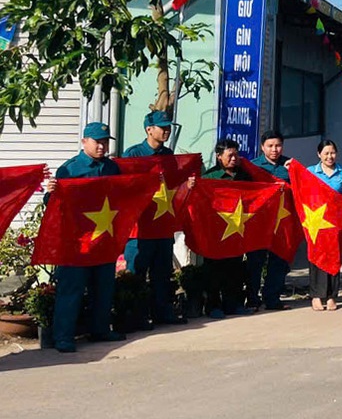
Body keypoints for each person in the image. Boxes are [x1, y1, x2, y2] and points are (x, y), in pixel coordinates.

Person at [44, 122, 125, 353]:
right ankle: (63, 337)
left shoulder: (112, 168)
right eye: (97, 141)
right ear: (84, 142)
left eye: (105, 141)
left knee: (103, 287)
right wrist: (51, 193)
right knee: (71, 289)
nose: (102, 146)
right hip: (76, 241)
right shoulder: (70, 169)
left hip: (102, 238)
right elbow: (53, 206)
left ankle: (100, 329)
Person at [119, 110, 187, 328]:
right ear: (149, 130)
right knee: (136, 274)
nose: (166, 131)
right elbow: (124, 186)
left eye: (168, 127)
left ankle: (161, 312)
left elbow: (174, 186)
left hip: (162, 225)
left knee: (162, 273)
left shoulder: (169, 156)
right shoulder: (133, 154)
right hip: (139, 228)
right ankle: (134, 316)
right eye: (162, 127)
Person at [201, 138, 253, 320]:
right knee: (214, 270)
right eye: (230, 155)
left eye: (236, 155)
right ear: (218, 157)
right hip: (215, 231)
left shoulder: (244, 176)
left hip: (236, 229)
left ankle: (234, 303)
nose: (234, 159)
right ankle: (213, 305)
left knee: (235, 268)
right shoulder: (209, 178)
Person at [245, 130, 292, 311]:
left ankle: (272, 298)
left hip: (282, 222)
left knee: (279, 260)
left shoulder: (289, 166)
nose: (274, 150)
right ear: (262, 147)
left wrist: (294, 173)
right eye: (270, 146)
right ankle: (252, 299)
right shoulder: (253, 167)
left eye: (278, 145)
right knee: (255, 262)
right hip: (259, 222)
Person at [307, 139, 342, 312]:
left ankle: (332, 296)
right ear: (319, 154)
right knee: (317, 259)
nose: (329, 156)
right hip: (316, 222)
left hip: (336, 222)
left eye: (332, 152)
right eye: (326, 153)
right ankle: (317, 296)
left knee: (334, 258)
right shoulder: (310, 172)